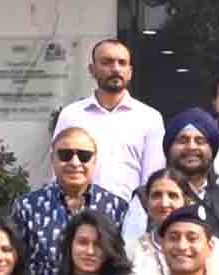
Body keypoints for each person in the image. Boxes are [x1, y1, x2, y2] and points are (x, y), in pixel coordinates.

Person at [53, 38, 165, 203]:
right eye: (107, 62)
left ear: (130, 72)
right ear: (92, 69)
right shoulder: (71, 115)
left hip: (130, 213)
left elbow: (153, 178)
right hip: (79, 212)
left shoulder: (149, 118)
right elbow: (58, 169)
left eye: (122, 63)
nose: (116, 68)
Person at [12, 127, 129, 275]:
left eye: (84, 156)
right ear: (52, 159)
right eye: (65, 155)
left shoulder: (116, 207)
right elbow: (16, 263)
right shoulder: (27, 206)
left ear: (94, 161)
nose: (75, 163)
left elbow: (121, 263)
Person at [122, 107, 219, 243]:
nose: (191, 147)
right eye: (183, 140)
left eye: (200, 141)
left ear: (212, 149)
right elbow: (130, 249)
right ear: (169, 148)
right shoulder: (145, 196)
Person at [127, 170, 219, 275]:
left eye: (172, 195)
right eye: (156, 195)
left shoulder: (209, 245)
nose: (164, 203)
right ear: (147, 202)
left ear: (186, 201)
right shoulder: (132, 248)